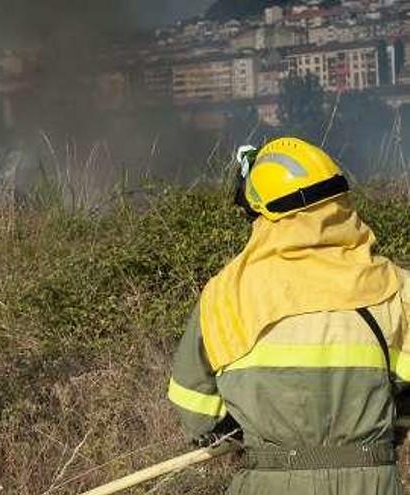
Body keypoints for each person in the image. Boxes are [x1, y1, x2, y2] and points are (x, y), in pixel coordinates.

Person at [168, 137, 410, 494]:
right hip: (370, 481)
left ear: (265, 215)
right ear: (338, 202)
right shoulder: (396, 288)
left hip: (270, 481)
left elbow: (194, 404)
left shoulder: (225, 295)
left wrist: (240, 438)